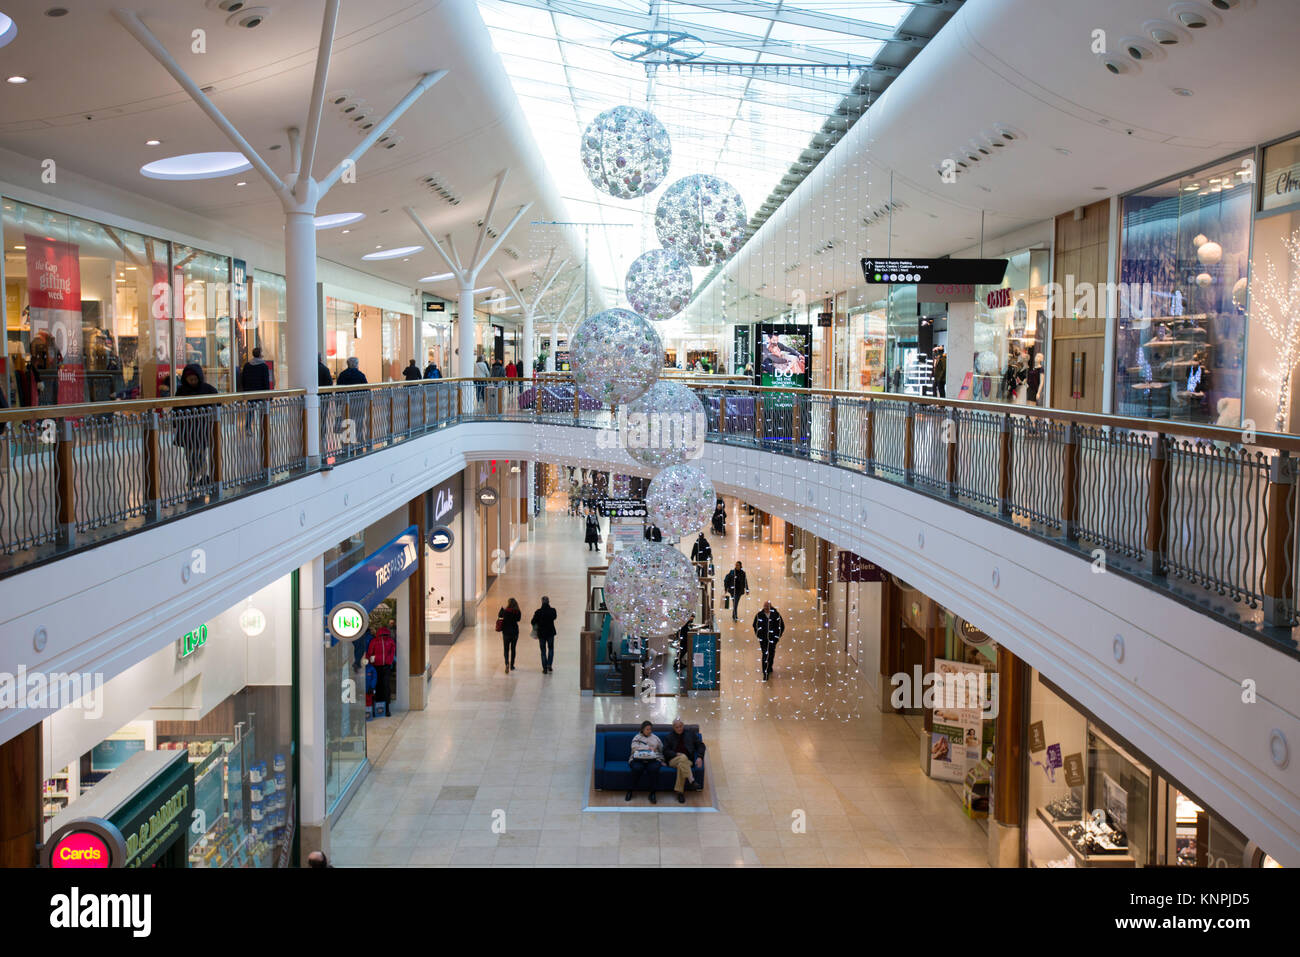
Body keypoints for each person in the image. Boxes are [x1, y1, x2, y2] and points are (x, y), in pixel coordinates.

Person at [173, 362, 218, 492]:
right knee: (189, 455)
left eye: (194, 379)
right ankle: (194, 477)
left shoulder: (207, 389)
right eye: (190, 379)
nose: (192, 381)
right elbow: (176, 408)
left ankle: (202, 476)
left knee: (200, 454)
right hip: (187, 430)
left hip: (201, 430)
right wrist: (175, 424)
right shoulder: (181, 390)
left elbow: (218, 401)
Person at [663, 718, 706, 803]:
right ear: (673, 728)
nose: (679, 728)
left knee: (681, 764)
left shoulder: (690, 734)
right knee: (682, 757)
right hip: (673, 760)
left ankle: (680, 792)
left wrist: (700, 757)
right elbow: (665, 751)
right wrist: (675, 754)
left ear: (683, 725)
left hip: (687, 761)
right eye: (677, 727)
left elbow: (701, 745)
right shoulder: (669, 737)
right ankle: (691, 780)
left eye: (680, 726)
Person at [626, 720, 663, 804]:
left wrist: (662, 760)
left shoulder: (655, 738)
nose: (649, 731)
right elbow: (634, 748)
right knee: (637, 768)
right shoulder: (637, 737)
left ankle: (652, 793)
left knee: (653, 769)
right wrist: (647, 748)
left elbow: (661, 750)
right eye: (647, 729)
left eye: (650, 729)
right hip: (638, 759)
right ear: (642, 729)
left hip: (653, 760)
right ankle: (630, 790)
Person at [365, 621, 397, 716]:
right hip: (378, 667)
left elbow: (392, 652)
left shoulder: (384, 641)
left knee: (384, 686)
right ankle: (380, 707)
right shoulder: (376, 641)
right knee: (380, 686)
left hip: (384, 667)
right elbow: (370, 653)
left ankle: (384, 707)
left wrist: (388, 661)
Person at [239, 346, 272, 432]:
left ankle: (248, 428)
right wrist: (269, 394)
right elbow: (266, 381)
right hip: (261, 393)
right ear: (260, 354)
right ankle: (263, 428)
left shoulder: (247, 365)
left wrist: (245, 390)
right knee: (263, 411)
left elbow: (243, 379)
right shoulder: (264, 366)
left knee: (250, 411)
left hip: (250, 392)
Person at [752, 601, 785, 681]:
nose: (766, 608)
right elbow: (755, 625)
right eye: (765, 607)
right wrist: (759, 635)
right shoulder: (759, 615)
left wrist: (777, 636)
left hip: (773, 639)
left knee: (771, 653)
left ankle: (769, 666)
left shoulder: (776, 615)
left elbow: (782, 626)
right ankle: (765, 672)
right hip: (763, 639)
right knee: (765, 654)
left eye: (767, 607)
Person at [531, 596, 557, 673]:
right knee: (551, 649)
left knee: (543, 651)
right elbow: (555, 617)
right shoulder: (553, 610)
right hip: (550, 633)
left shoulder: (538, 612)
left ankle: (544, 668)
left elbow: (532, 622)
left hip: (541, 634)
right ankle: (549, 665)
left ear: (542, 602)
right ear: (549, 601)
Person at [498, 597, 522, 672]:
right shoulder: (517, 612)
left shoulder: (505, 611)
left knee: (506, 649)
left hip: (506, 632)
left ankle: (506, 663)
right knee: (513, 649)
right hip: (514, 632)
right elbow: (518, 619)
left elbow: (500, 616)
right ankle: (512, 665)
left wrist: (501, 610)